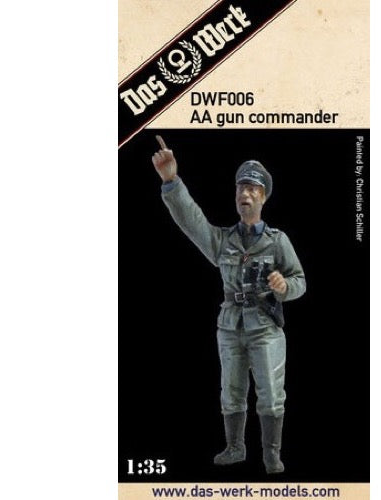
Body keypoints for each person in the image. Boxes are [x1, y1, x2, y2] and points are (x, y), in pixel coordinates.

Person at [152, 135, 306, 474]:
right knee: (231, 391)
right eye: (241, 188)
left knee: (271, 393)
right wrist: (171, 181)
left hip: (265, 327)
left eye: (252, 189)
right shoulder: (223, 241)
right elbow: (191, 220)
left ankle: (271, 454)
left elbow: (300, 280)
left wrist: (284, 287)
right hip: (230, 326)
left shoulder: (277, 241)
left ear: (263, 196)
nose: (245, 194)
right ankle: (235, 448)